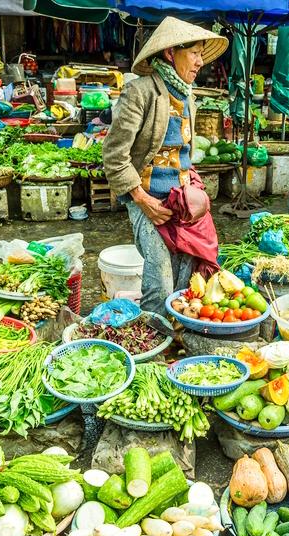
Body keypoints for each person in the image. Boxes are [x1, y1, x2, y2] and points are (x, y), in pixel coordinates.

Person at [103, 17, 228, 316]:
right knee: (160, 280)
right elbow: (114, 154)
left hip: (180, 201)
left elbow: (185, 153)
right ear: (171, 53)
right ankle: (152, 340)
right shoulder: (141, 92)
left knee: (186, 278)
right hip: (147, 200)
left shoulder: (188, 96)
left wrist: (193, 189)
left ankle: (176, 334)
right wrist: (142, 200)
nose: (200, 62)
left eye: (201, 54)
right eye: (194, 53)